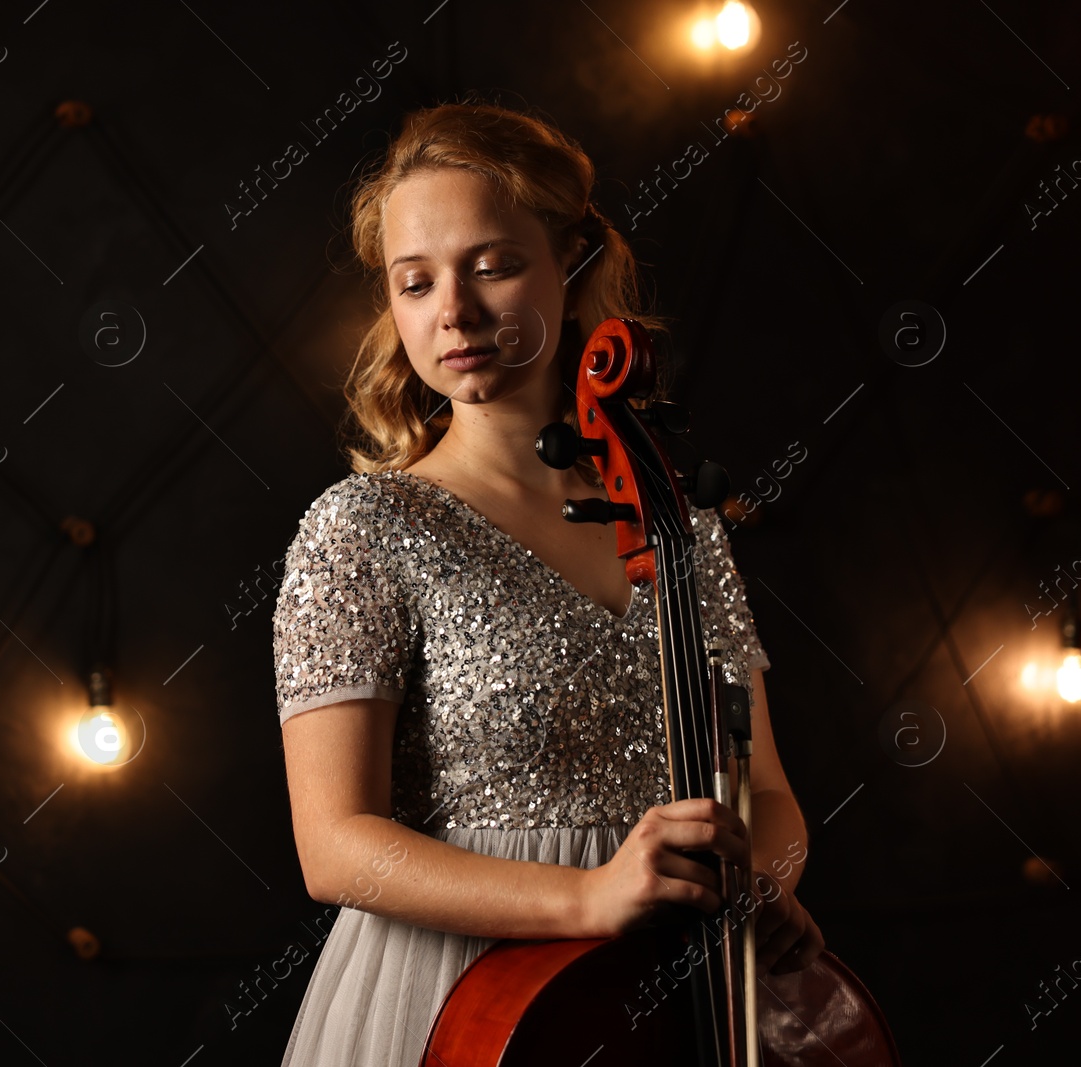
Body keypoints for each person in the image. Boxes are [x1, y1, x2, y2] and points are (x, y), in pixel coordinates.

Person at [270, 99, 825, 1067]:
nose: (453, 312)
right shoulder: (361, 528)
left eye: (492, 265)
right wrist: (586, 896)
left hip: (671, 990)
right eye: (414, 281)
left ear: (571, 267)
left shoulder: (678, 526)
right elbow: (335, 844)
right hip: (457, 998)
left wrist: (765, 881)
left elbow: (766, 793)